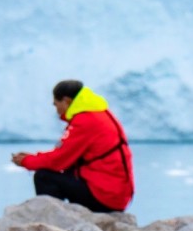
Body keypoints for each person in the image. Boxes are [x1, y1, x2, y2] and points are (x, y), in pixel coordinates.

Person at [11, 80, 134, 212]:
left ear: (66, 101)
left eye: (56, 104)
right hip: (116, 194)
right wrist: (33, 157)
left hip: (105, 197)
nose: (56, 110)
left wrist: (27, 161)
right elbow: (67, 157)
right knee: (64, 171)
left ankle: (52, 223)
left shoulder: (85, 120)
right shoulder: (99, 113)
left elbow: (59, 160)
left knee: (44, 176)